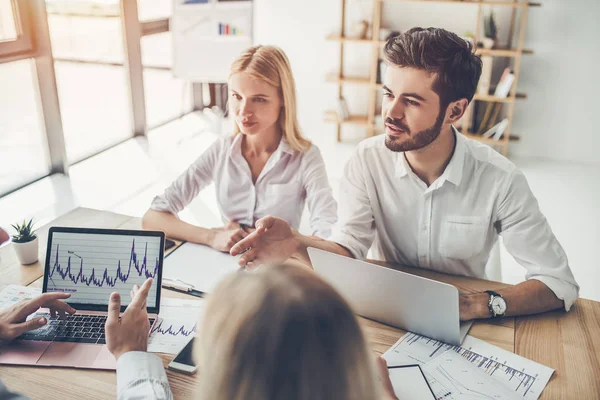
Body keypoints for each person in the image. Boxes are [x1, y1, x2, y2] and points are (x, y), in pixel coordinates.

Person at [230, 27, 580, 321]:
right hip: (390, 312)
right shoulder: (366, 160)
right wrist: (297, 241)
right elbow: (349, 251)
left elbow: (558, 283)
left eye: (411, 101)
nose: (391, 113)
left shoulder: (500, 179)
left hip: (472, 322)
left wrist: (479, 303)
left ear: (455, 110)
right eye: (388, 94)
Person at [142, 45, 337, 253]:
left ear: (282, 99)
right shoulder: (222, 150)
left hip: (279, 270)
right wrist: (212, 236)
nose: (244, 112)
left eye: (259, 99)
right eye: (237, 96)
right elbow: (152, 218)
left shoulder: (305, 156)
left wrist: (287, 244)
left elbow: (328, 234)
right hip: (228, 261)